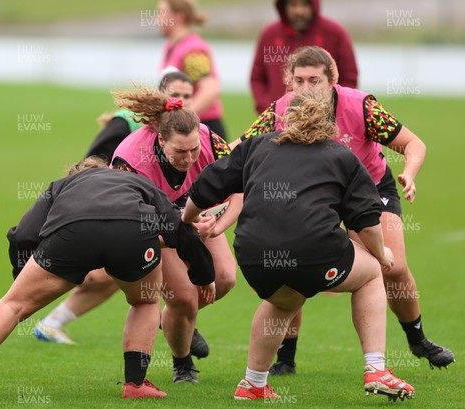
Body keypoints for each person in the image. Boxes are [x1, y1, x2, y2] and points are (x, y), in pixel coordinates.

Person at [232, 46, 454, 375]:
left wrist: (409, 172)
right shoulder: (281, 109)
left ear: (333, 79)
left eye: (315, 80)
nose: (306, 89)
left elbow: (413, 144)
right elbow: (239, 148)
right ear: (289, 82)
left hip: (369, 189)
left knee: (392, 266)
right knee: (293, 261)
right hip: (315, 194)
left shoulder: (361, 107)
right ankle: (286, 358)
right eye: (299, 80)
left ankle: (417, 338)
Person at [0, 158, 216, 400]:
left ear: (76, 174)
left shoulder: (60, 186)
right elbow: (178, 227)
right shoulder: (136, 180)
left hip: (72, 234)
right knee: (145, 301)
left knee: (12, 305)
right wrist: (204, 276)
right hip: (133, 233)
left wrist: (23, 275)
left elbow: (23, 233)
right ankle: (135, 384)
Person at [183, 91, 415, 401]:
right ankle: (376, 369)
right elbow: (366, 221)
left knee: (284, 301)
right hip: (312, 252)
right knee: (372, 272)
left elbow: (206, 185)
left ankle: (253, 384)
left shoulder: (256, 146)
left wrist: (189, 219)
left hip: (254, 256)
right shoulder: (342, 155)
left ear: (285, 120)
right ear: (328, 123)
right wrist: (382, 253)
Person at [29, 71, 210, 355]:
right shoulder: (126, 123)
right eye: (177, 95)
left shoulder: (190, 131)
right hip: (118, 210)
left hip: (155, 215)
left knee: (124, 279)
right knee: (108, 277)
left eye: (188, 96)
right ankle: (51, 322)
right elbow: (90, 162)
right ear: (163, 97)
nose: (184, 102)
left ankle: (53, 322)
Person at [108, 85, 240, 383]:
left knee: (225, 279)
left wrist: (218, 225)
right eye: (180, 151)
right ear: (160, 140)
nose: (190, 157)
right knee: (183, 298)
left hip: (197, 217)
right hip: (157, 227)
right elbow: (129, 223)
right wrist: (181, 230)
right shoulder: (131, 160)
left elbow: (239, 187)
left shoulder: (207, 138)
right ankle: (182, 362)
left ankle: (171, 321)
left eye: (194, 149)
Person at [250, 0, 358, 114]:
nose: (299, 11)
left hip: (324, 120)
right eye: (293, 4)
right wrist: (267, 108)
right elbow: (257, 77)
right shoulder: (270, 34)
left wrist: (333, 109)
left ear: (313, 5)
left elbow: (349, 77)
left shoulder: (335, 33)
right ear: (284, 6)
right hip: (278, 118)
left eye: (304, 5)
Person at [85, 70, 194, 163]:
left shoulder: (192, 128)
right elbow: (94, 160)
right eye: (175, 95)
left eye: (187, 96)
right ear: (160, 94)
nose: (181, 101)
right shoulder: (128, 121)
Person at [157, 0, 227, 138]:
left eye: (161, 13)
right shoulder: (172, 46)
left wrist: (183, 117)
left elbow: (210, 88)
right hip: (188, 128)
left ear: (178, 17)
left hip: (203, 128)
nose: (156, 18)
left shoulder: (192, 49)